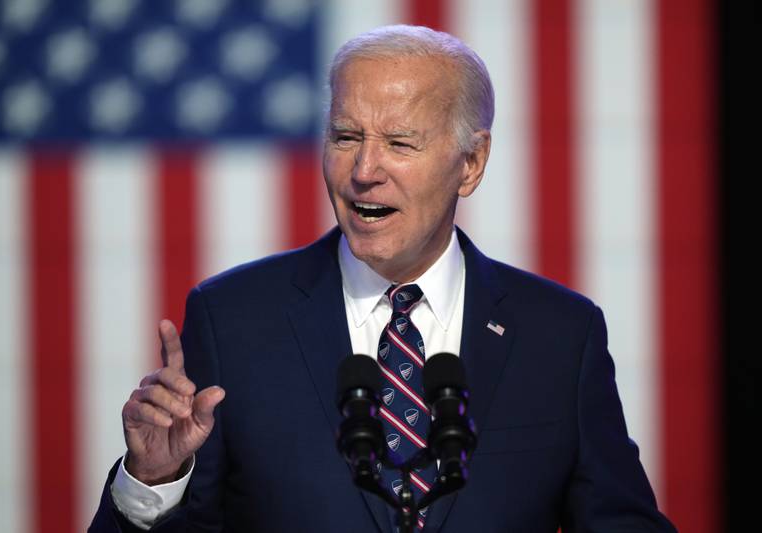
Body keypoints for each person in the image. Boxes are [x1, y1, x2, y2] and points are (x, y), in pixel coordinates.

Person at [89, 25, 676, 532]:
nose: (364, 172)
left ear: (470, 164)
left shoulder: (560, 335)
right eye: (346, 137)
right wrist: (154, 482)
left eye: (399, 143)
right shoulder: (234, 320)